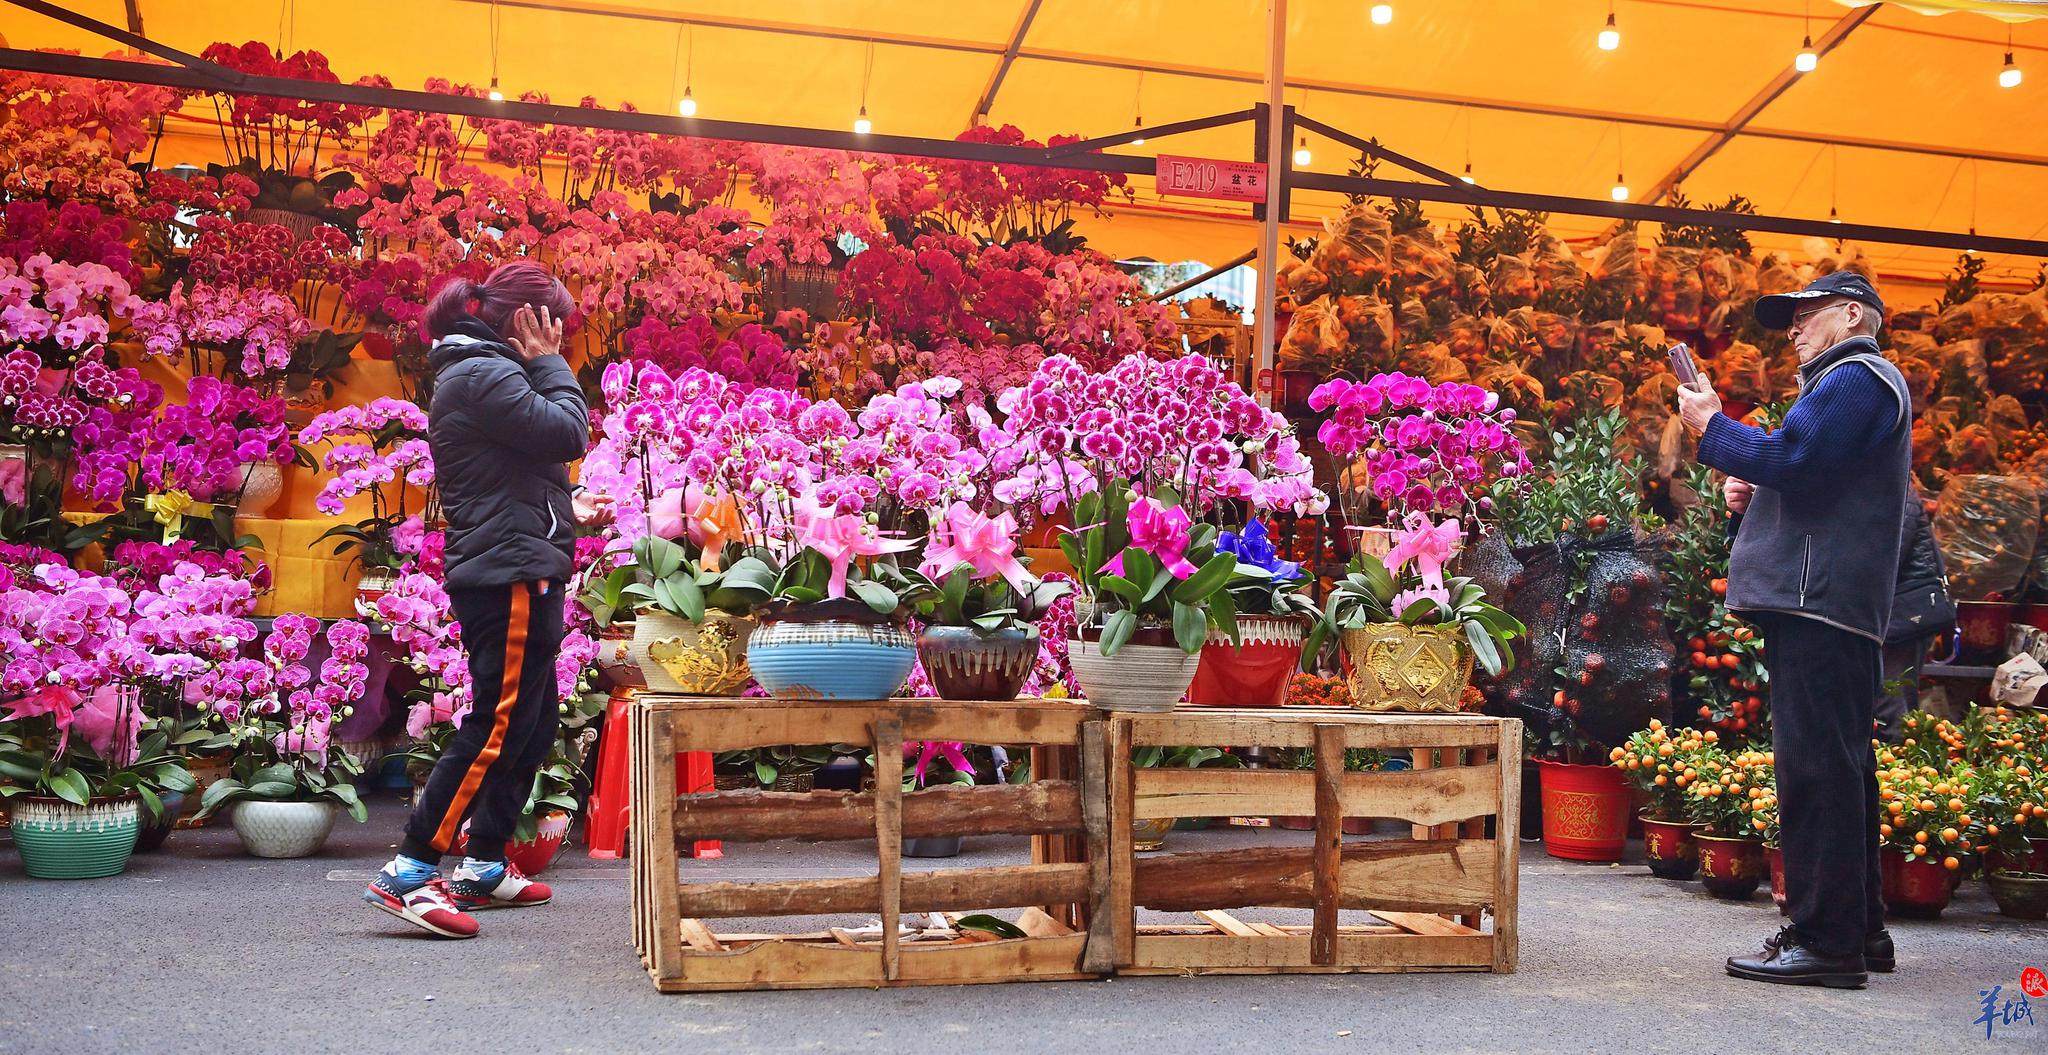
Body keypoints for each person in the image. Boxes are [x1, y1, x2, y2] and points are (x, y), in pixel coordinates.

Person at [362, 262, 612, 939]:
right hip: (506, 579)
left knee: (530, 723)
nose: (562, 335)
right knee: (495, 723)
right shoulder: (483, 372)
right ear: (529, 321)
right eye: (555, 322)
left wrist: (567, 505)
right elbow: (566, 433)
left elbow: (517, 470)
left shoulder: (490, 371)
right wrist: (554, 363)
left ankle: (483, 860)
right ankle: (409, 870)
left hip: (524, 565)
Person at [1677, 269, 1911, 990]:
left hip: (1821, 602)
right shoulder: (1853, 385)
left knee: (1816, 771)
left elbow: (1797, 460)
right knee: (1841, 770)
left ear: (1852, 313)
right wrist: (1758, 484)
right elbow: (1806, 471)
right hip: (1831, 602)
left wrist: (1711, 428)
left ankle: (1825, 940)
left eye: (1807, 313)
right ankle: (1857, 929)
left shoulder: (1856, 377)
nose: (1794, 326)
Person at [1876, 490, 1954, 743]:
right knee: (1887, 694)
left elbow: (1886, 557)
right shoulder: (1888, 492)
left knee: (1893, 696)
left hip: (1905, 615)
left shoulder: (1900, 496)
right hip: (1892, 613)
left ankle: (1898, 765)